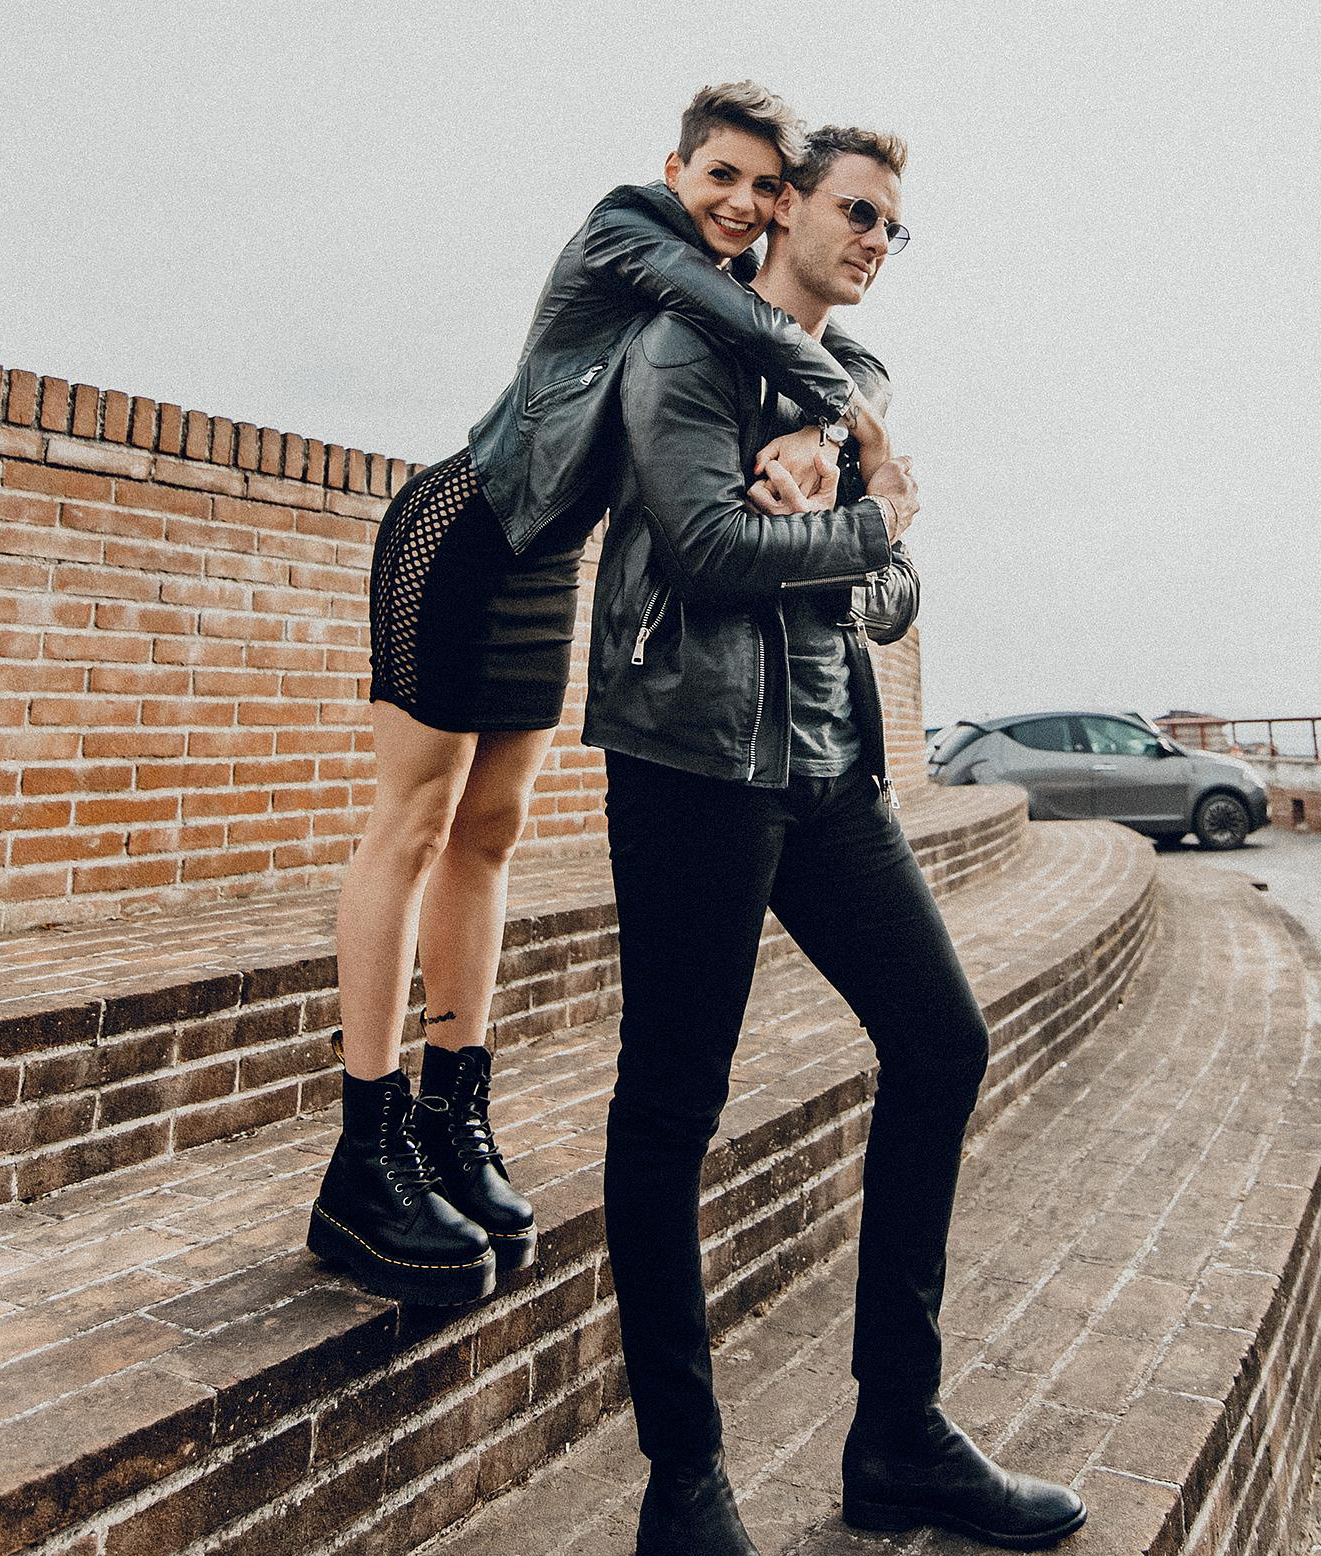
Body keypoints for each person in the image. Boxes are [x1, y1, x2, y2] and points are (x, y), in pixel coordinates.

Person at [586, 125, 1085, 1556]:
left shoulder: (848, 383)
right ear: (785, 205)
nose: (875, 239)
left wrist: (857, 522)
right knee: (673, 1106)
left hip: (826, 770)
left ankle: (897, 1434)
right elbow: (703, 550)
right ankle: (683, 1490)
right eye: (856, 211)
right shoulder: (684, 346)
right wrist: (859, 522)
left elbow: (887, 595)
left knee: (941, 1043)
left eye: (893, 226)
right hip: (693, 763)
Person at [307, 84, 892, 1311]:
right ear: (674, 167)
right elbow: (768, 330)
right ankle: (364, 1149)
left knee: (490, 830)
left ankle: (452, 1114)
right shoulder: (628, 227)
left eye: (763, 187)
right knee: (411, 822)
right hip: (460, 531)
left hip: (539, 563)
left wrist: (828, 433)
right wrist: (844, 425)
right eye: (720, 174)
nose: (740, 203)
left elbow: (835, 361)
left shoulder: (727, 291)